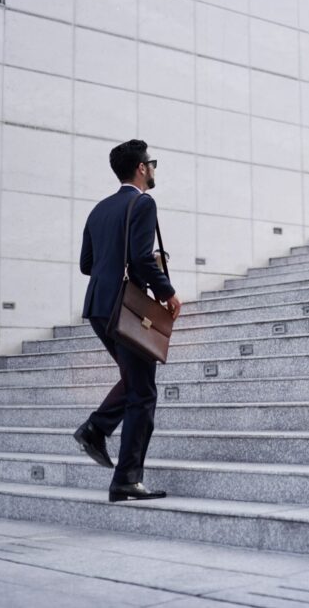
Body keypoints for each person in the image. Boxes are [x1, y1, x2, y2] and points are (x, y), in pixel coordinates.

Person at [74, 139, 182, 502]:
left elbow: (86, 265)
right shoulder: (143, 202)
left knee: (134, 380)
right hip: (126, 307)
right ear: (141, 168)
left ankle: (97, 428)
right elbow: (139, 259)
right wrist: (166, 291)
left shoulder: (99, 209)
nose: (153, 169)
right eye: (152, 163)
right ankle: (126, 478)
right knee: (143, 392)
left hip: (98, 307)